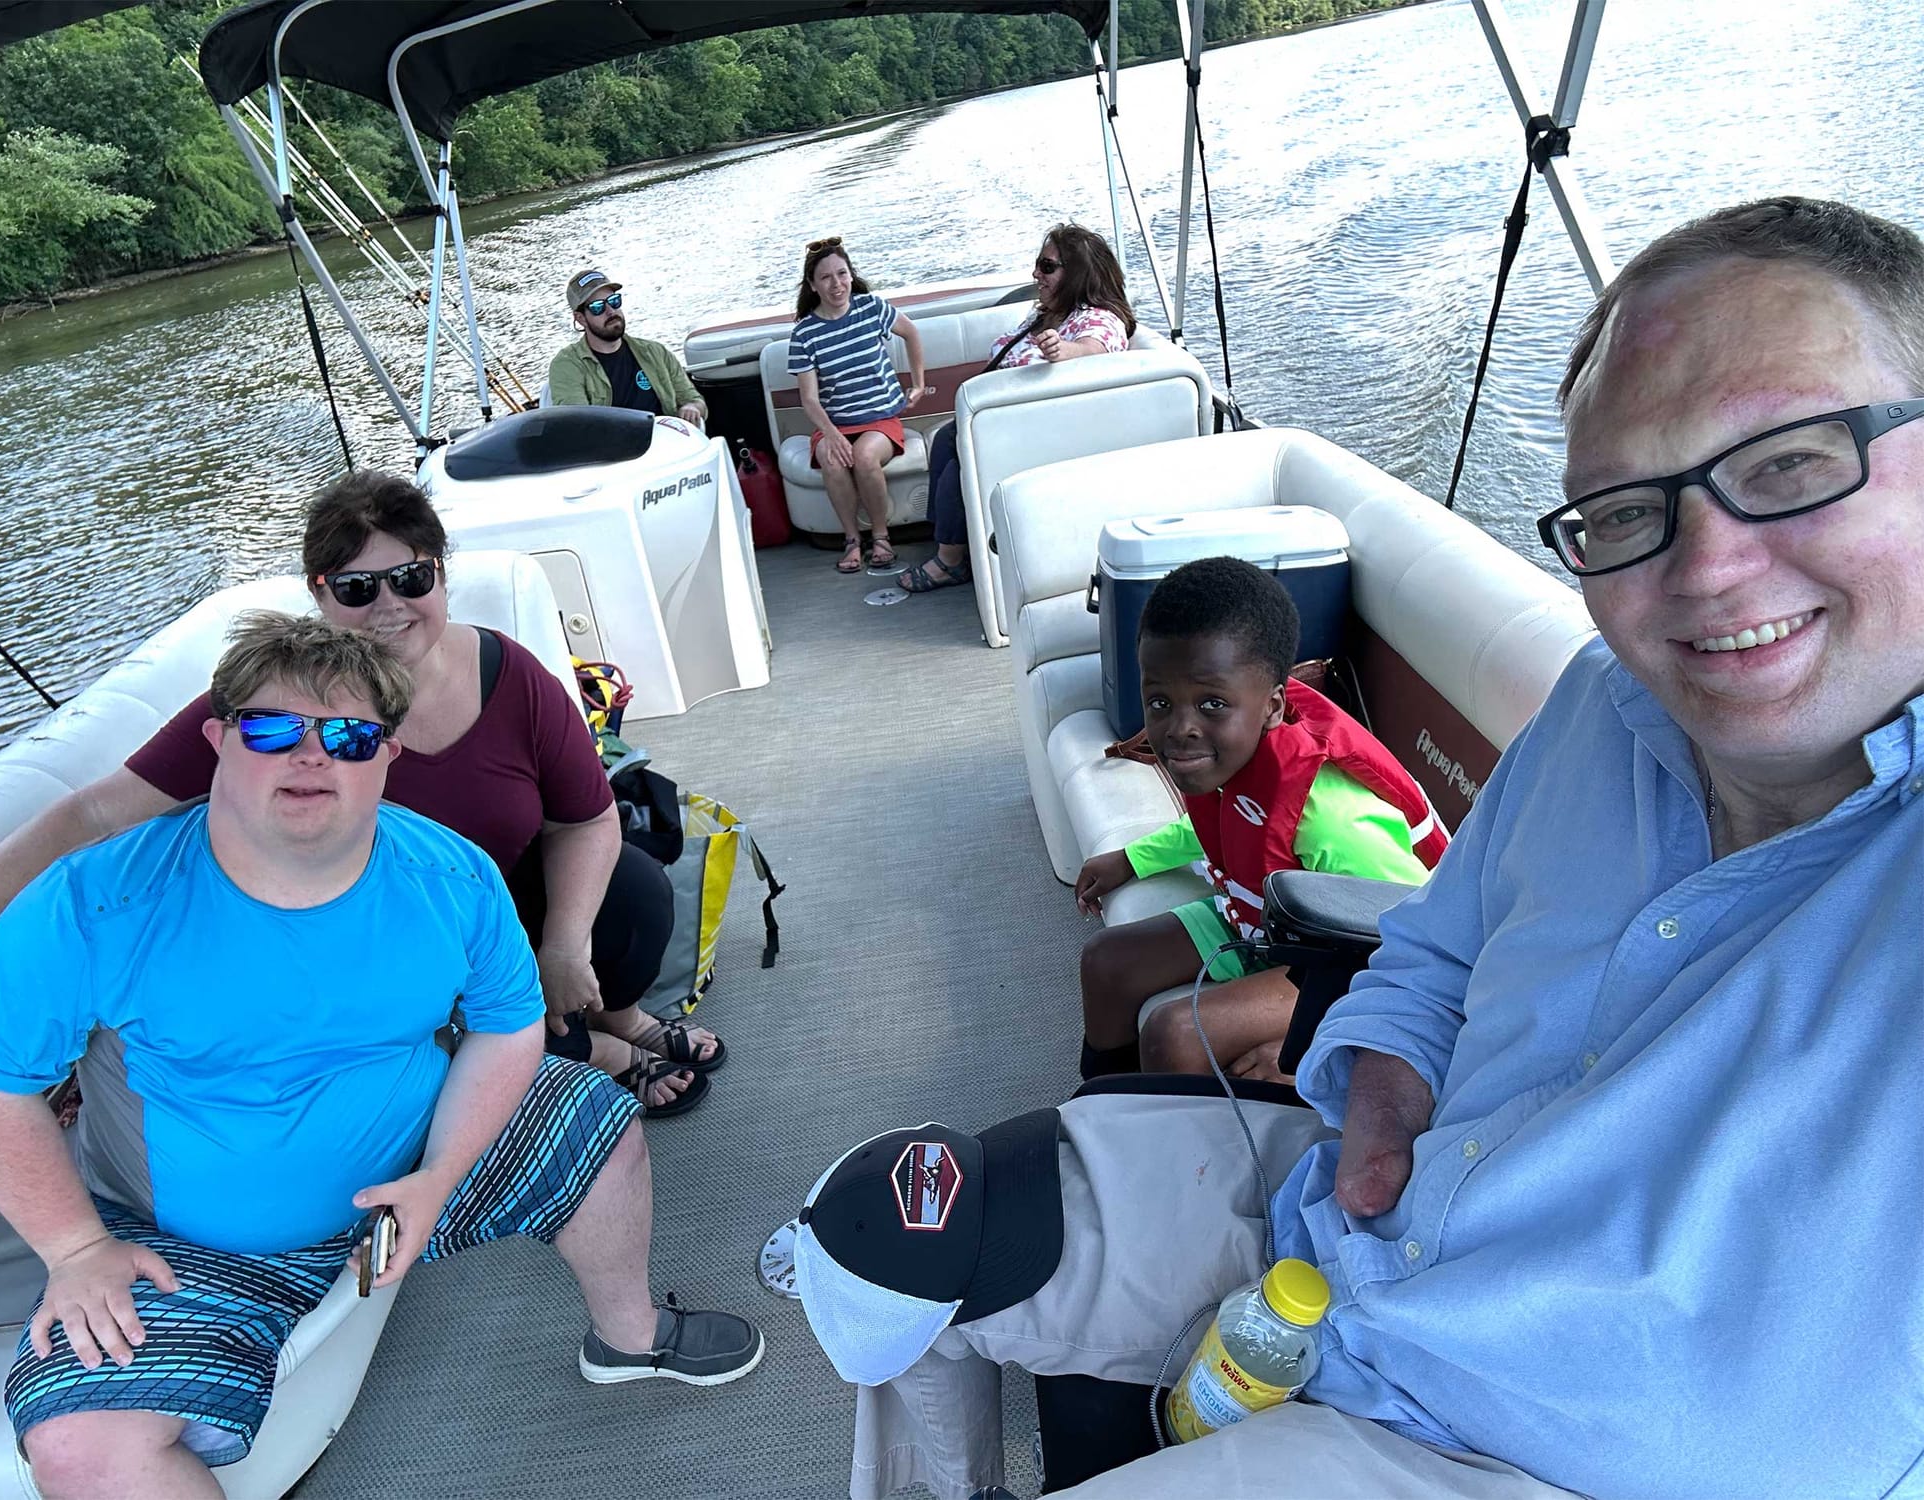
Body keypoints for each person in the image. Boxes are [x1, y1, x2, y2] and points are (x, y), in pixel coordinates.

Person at [800, 196, 1924, 1499]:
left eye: (1790, 463)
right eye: (1623, 511)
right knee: (878, 1228)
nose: (1709, 569)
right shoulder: (1600, 704)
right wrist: (1382, 1060)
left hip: (1526, 1447)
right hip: (1345, 1222)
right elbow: (1435, 942)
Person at [0, 614, 763, 1500]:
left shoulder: (452, 876)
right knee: (80, 1450)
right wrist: (73, 1248)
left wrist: (439, 1176)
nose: (311, 755)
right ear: (216, 742)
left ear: (387, 757)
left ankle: (629, 1338)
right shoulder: (94, 903)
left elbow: (507, 1026)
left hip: (415, 1163)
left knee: (598, 1119)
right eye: (272, 728)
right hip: (189, 1242)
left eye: (350, 736)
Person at [0, 472, 725, 1117]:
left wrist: (565, 944)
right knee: (440, 1029)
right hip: (383, 946)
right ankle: (599, 1051)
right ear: (320, 595)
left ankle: (615, 1014)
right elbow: (95, 812)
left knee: (633, 897)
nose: (389, 606)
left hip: (501, 900)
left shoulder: (509, 675)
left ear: (441, 574)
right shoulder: (275, 709)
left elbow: (585, 819)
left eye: (410, 577)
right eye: (356, 588)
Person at [1072, 558, 1441, 1084]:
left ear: (1272, 707)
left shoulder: (1333, 823)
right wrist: (1132, 858)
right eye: (1160, 701)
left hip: (1342, 962)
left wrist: (1323, 1039)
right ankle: (1101, 1107)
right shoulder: (1236, 760)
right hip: (1264, 923)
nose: (1179, 728)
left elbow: (1415, 943)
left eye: (1212, 704)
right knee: (1106, 962)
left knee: (1176, 1033)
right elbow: (1233, 819)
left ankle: (1169, 1134)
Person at [899, 224, 1134, 595]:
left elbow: (1094, 349)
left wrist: (1064, 351)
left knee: (962, 464)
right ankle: (952, 541)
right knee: (945, 439)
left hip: (1040, 434)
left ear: (1077, 273)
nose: (1036, 274)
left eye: (1047, 266)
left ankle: (950, 562)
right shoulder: (1047, 314)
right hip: (1008, 421)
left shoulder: (1097, 318)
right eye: (1038, 264)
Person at [788, 236, 927, 574]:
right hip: (833, 424)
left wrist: (919, 384)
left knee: (864, 456)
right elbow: (809, 399)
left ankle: (881, 537)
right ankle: (852, 540)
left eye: (842, 274)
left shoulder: (872, 308)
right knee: (832, 459)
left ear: (851, 275)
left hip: (880, 418)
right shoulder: (804, 334)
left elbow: (911, 333)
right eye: (826, 277)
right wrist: (831, 434)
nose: (836, 284)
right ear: (813, 285)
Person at [548, 268, 707, 425]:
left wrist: (691, 408)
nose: (611, 311)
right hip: (612, 442)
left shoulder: (656, 352)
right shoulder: (567, 365)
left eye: (614, 301)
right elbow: (579, 424)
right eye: (598, 307)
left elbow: (694, 400)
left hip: (666, 437)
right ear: (581, 318)